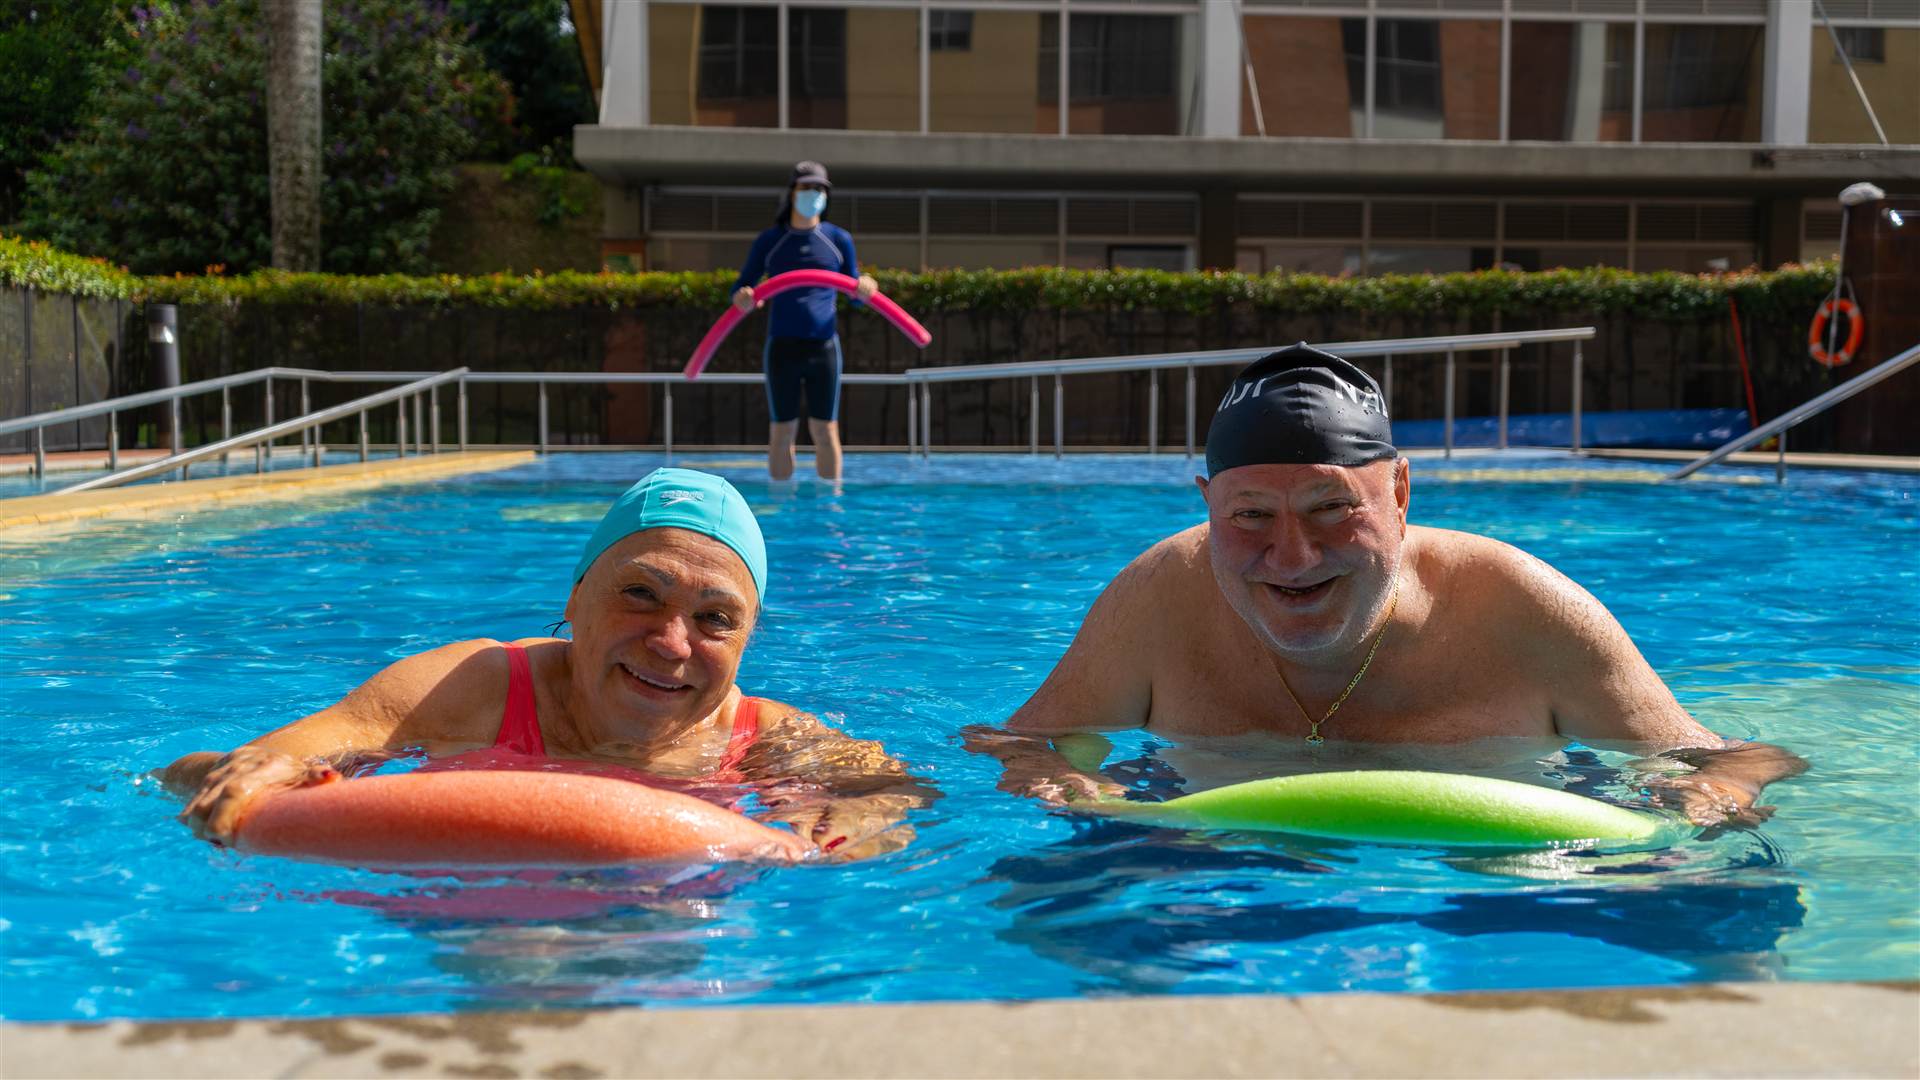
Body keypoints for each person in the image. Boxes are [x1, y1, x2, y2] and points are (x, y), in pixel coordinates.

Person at [968, 344, 1804, 827]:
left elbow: (1743, 757)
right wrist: (1054, 776)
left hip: (1488, 872)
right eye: (1251, 516)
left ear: (1400, 494)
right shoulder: (1159, 595)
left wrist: (1716, 791)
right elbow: (1015, 740)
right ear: (1207, 506)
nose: (1292, 557)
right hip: (1217, 863)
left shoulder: (1522, 608)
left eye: (1333, 507)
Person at [165, 467, 929, 860]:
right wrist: (260, 774)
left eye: (714, 619)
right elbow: (257, 758)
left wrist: (843, 827)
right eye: (640, 593)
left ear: (746, 644)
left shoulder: (773, 741)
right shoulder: (477, 686)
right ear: (574, 597)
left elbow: (896, 800)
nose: (672, 642)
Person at [730, 161, 877, 483]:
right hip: (782, 346)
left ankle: (831, 506)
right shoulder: (771, 241)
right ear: (792, 193)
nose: (814, 194)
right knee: (782, 430)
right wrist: (743, 297)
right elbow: (742, 288)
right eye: (807, 187)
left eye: (820, 189)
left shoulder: (838, 239)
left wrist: (866, 286)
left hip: (823, 347)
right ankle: (783, 509)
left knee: (825, 429)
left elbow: (854, 289)